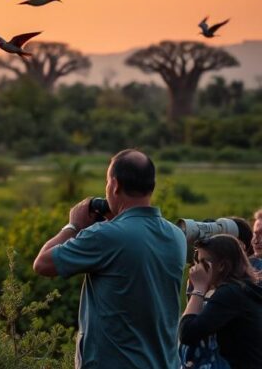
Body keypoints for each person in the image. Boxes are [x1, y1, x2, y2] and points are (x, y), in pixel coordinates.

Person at [32, 149, 186, 369]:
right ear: (150, 186)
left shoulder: (105, 236)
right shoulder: (176, 236)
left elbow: (42, 264)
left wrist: (73, 226)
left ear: (114, 184)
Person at [179, 234, 262, 369]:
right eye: (197, 262)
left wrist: (199, 289)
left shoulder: (230, 294)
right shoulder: (242, 290)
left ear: (222, 265)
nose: (197, 269)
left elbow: (187, 333)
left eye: (203, 262)